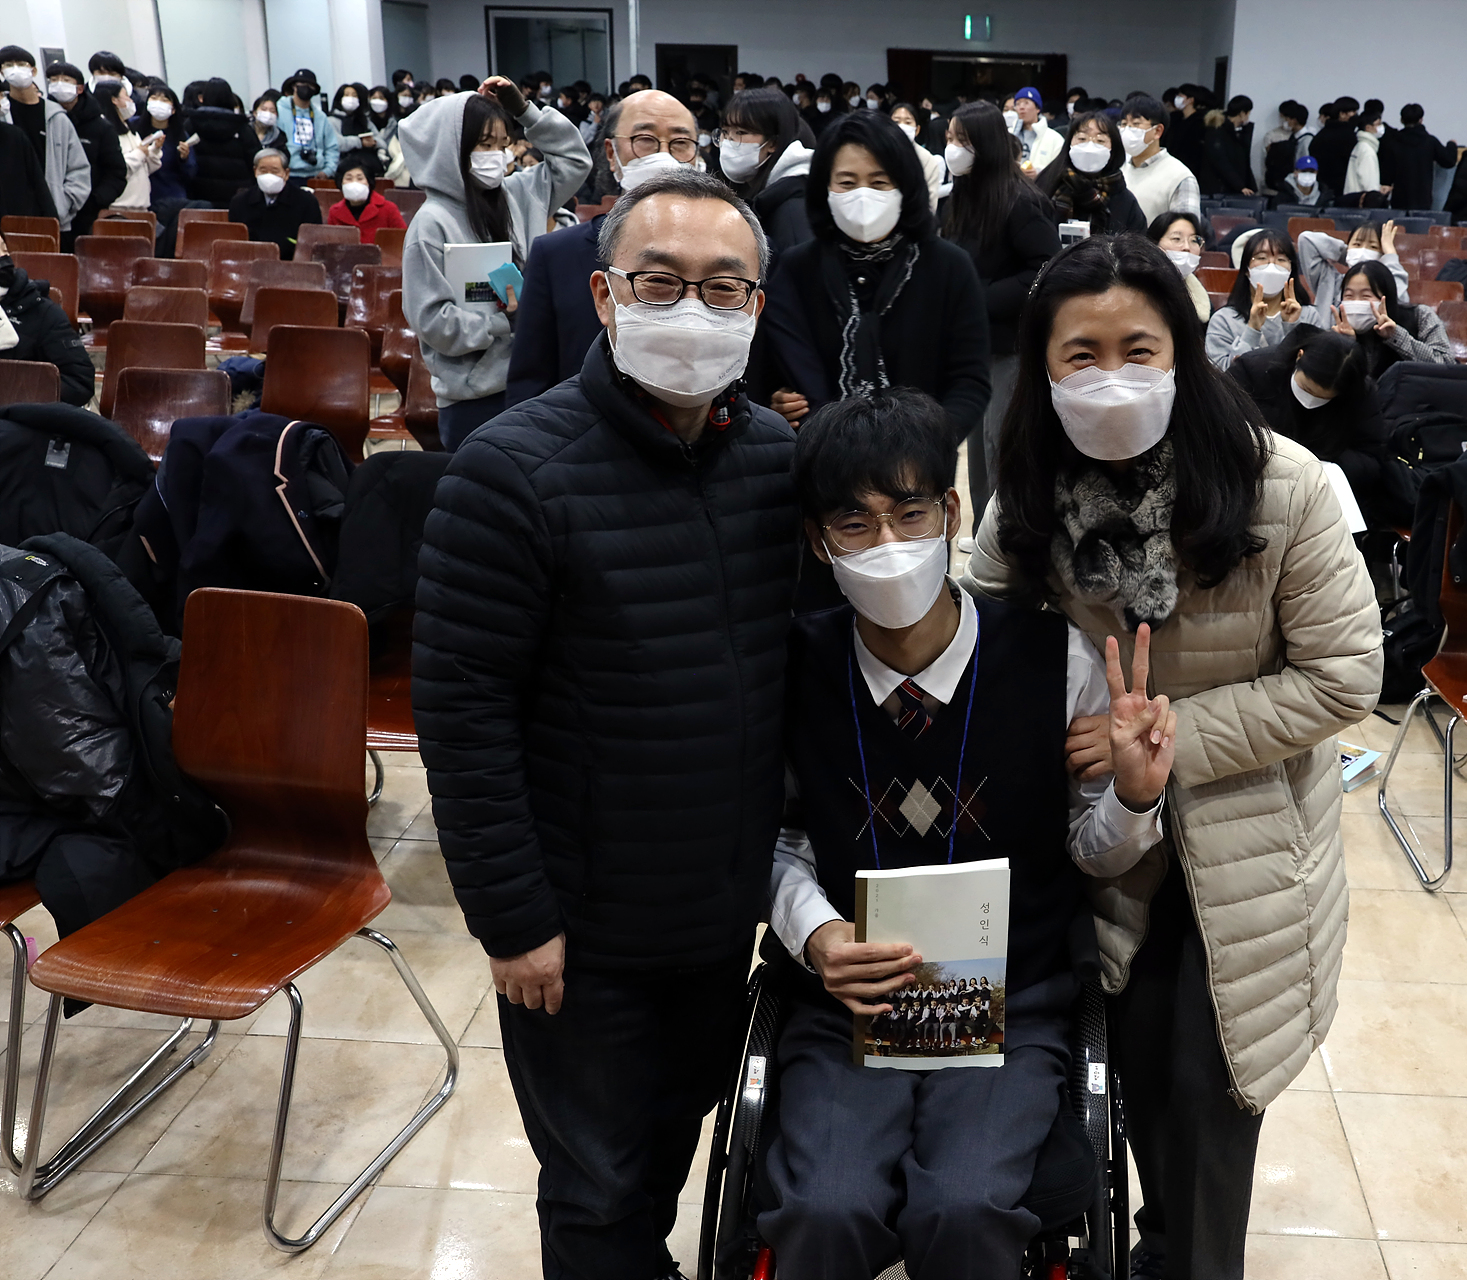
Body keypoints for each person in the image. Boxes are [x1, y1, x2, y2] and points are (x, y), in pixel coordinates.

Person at [962, 231, 1381, 1280]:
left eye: (1138, 350)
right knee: (1106, 1076)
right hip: (1090, 835)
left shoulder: (1283, 484)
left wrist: (1169, 736)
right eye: (1081, 354)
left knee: (1204, 1092)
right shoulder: (1027, 492)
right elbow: (978, 644)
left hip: (1240, 845)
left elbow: (1344, 677)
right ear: (1041, 367)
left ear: (1182, 355)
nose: (1111, 376)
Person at [413, 167, 797, 1280]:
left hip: (717, 910)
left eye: (724, 288)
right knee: (595, 1187)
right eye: (660, 282)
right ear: (603, 294)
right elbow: (463, 716)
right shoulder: (508, 472)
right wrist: (513, 917)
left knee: (669, 1144)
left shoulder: (776, 463)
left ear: (757, 307)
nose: (694, 310)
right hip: (580, 933)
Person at [761, 384, 1173, 1280]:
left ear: (952, 513)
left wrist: (1134, 798)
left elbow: (1090, 849)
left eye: (910, 514)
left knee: (968, 1205)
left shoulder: (1053, 657)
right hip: (849, 1007)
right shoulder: (794, 667)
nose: (887, 544)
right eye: (855, 524)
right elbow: (776, 841)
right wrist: (817, 935)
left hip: (1010, 1005)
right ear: (818, 540)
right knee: (824, 1207)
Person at [755, 109, 992, 469]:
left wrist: (923, 450)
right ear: (824, 187)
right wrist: (778, 405)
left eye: (879, 182)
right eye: (847, 182)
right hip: (821, 468)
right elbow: (769, 371)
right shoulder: (796, 268)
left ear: (905, 185)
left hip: (919, 472)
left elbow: (970, 381)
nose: (862, 196)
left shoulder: (947, 266)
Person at [401, 77, 591, 448]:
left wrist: (525, 111)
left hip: (536, 382)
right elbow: (433, 323)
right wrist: (505, 322)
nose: (497, 156)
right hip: (475, 398)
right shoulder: (432, 224)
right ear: (453, 148)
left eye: (503, 145)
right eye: (485, 145)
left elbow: (574, 160)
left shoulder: (519, 193)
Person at [507, 91, 699, 408]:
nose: (664, 155)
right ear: (611, 153)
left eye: (680, 143)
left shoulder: (734, 257)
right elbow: (529, 383)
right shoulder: (556, 256)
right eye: (645, 140)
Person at [942, 100, 1059, 532]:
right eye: (949, 138)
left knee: (1000, 447)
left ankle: (1007, 540)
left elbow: (1045, 268)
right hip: (971, 345)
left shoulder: (1021, 202)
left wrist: (978, 296)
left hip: (1010, 345)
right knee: (975, 453)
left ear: (986, 145)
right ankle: (983, 536)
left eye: (962, 140)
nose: (952, 148)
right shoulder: (959, 197)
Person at [1227, 326, 1411, 528]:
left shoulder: (1359, 392)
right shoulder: (1253, 369)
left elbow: (1371, 456)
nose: (1310, 400)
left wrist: (1321, 464)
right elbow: (1223, 426)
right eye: (1306, 388)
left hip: (1320, 488)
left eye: (1323, 398)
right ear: (1299, 357)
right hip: (1253, 481)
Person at [1, 48, 92, 238]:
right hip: (11, 218)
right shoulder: (4, 115)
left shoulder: (56, 117)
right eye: (8, 65)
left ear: (33, 70)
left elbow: (78, 168)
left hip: (54, 217)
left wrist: (62, 204)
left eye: (21, 64)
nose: (15, 70)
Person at [716, 86, 815, 259]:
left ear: (773, 143)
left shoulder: (793, 210)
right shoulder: (757, 192)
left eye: (740, 132)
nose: (728, 141)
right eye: (725, 132)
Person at [0, 234, 95, 404]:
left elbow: (79, 382)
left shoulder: (42, 312)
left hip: (19, 414)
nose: (2, 257)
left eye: (4, 249)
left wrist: (20, 390)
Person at [44, 60, 125, 242]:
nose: (59, 85)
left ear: (80, 88)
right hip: (50, 211)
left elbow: (116, 172)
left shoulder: (101, 127)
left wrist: (95, 201)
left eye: (65, 80)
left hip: (87, 213)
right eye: (53, 80)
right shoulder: (45, 120)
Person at [1205, 228, 1304, 368]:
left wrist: (1293, 328)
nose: (1272, 266)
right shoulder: (1223, 320)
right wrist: (1252, 330)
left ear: (1291, 270)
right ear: (1246, 269)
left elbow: (1315, 369)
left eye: (1281, 259)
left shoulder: (1308, 315)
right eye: (1262, 258)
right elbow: (1218, 374)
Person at [1037, 110, 1146, 236]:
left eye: (1100, 140)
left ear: (1113, 148)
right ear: (1069, 143)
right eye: (1082, 138)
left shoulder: (1124, 200)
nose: (1090, 147)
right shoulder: (1047, 185)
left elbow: (1138, 242)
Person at [1332, 258, 1450, 372]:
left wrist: (1396, 336)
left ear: (1386, 298)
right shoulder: (1337, 330)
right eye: (1349, 296)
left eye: (1366, 296)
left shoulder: (1420, 316)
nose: (1356, 303)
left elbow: (1445, 365)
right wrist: (1347, 346)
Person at [1296, 220, 1409, 328]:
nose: (1363, 251)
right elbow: (1306, 240)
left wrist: (1390, 254)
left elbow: (1401, 300)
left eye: (1373, 247)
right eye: (1357, 244)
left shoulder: (1384, 286)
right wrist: (1348, 255)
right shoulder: (1330, 280)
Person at [1117, 92, 1200, 225]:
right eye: (1124, 124)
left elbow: (1186, 232)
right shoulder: (1118, 170)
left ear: (1157, 131)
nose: (1127, 130)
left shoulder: (1180, 177)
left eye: (1136, 124)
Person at [228, 148, 320, 259]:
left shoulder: (307, 202)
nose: (269, 176)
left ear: (286, 173)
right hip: (250, 262)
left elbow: (312, 245)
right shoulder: (240, 202)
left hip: (290, 264)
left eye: (275, 171)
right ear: (255, 171)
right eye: (263, 171)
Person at [96, 78, 159, 214]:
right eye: (126, 96)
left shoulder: (129, 128)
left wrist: (154, 150)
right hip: (118, 206)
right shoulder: (104, 130)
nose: (131, 100)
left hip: (140, 205)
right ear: (114, 100)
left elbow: (144, 168)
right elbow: (118, 167)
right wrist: (140, 153)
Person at [1379, 102, 1455, 212]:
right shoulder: (1430, 141)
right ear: (1421, 120)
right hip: (1423, 198)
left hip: (1399, 198)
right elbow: (1449, 161)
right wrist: (1451, 145)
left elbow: (1386, 174)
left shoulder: (1393, 142)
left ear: (1402, 120)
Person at [1152, 210, 1213, 324]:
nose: (1186, 247)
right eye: (1176, 239)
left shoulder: (1202, 299)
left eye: (1194, 240)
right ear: (1154, 244)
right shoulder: (1138, 289)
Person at [324, 159, 406, 243]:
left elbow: (403, 240)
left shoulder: (389, 209)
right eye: (349, 178)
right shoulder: (334, 211)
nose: (355, 183)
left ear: (369, 182)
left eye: (360, 178)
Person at [887, 101, 944, 209]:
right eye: (896, 121)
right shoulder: (878, 154)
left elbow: (930, 203)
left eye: (908, 122)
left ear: (917, 130)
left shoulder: (927, 160)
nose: (902, 126)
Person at [1201, 94, 1257, 197]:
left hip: (1231, 186)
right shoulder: (1217, 131)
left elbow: (1244, 157)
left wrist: (1247, 130)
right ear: (1242, 113)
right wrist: (1240, 186)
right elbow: (1221, 162)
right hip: (1220, 188)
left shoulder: (1235, 132)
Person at [1309, 95, 1359, 192]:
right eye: (1353, 112)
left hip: (1321, 187)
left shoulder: (1322, 133)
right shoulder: (1347, 136)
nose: (1356, 115)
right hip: (1342, 187)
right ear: (1342, 114)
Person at [1261, 99, 1309, 196]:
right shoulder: (1288, 137)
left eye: (1286, 119)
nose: (1285, 121)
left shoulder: (1306, 139)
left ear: (1293, 120)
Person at [1008, 85, 1059, 174]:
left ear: (1037, 108)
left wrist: (1038, 174)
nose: (1021, 107)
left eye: (1026, 103)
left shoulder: (1054, 138)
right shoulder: (1008, 134)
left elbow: (1059, 169)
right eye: (1018, 104)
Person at [1343, 109, 1387, 202]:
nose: (1381, 127)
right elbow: (1369, 184)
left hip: (1352, 199)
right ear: (1368, 128)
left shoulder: (1360, 146)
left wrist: (1379, 187)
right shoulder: (1367, 151)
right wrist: (1375, 197)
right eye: (1378, 124)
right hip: (1363, 202)